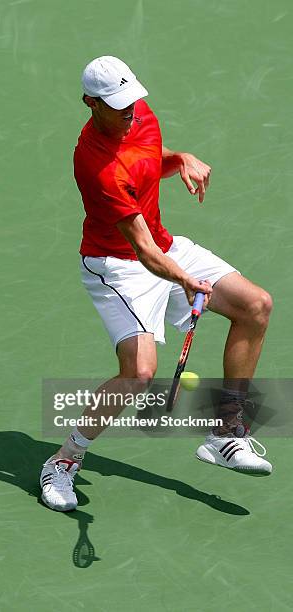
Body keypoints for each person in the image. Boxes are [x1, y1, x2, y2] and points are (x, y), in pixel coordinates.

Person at [40, 56, 273, 512]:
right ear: (90, 103)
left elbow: (147, 165)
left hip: (164, 246)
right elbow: (144, 252)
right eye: (117, 106)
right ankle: (65, 460)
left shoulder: (139, 114)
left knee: (255, 305)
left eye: (133, 101)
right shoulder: (96, 166)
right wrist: (187, 280)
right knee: (139, 373)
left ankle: (226, 433)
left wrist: (180, 159)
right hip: (117, 266)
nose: (130, 112)